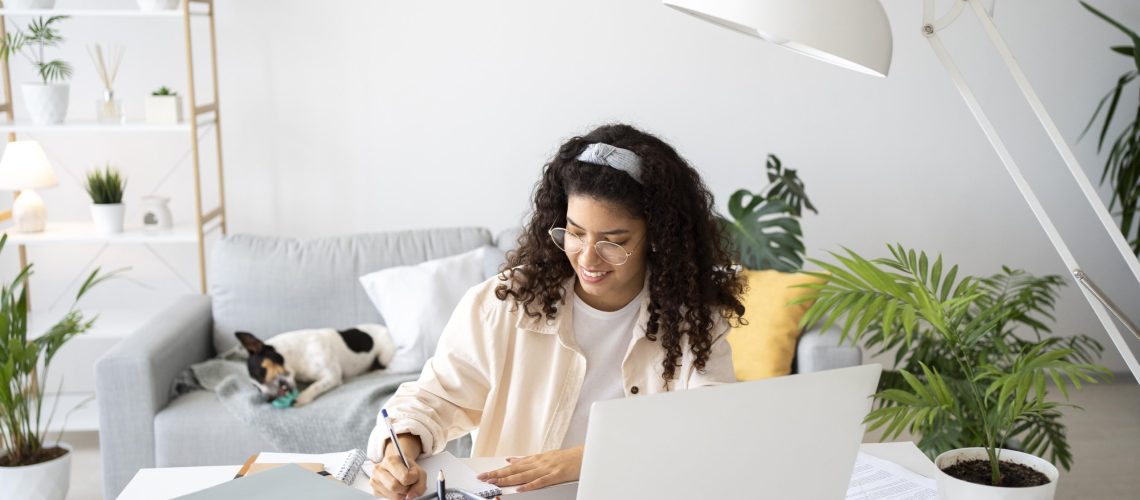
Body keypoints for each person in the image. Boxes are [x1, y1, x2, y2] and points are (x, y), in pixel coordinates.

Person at [367, 123, 746, 499]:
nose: (587, 257)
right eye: (575, 232)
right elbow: (436, 398)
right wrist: (397, 450)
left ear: (657, 238)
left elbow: (707, 426)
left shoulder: (692, 321)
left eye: (614, 242)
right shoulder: (507, 301)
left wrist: (585, 459)